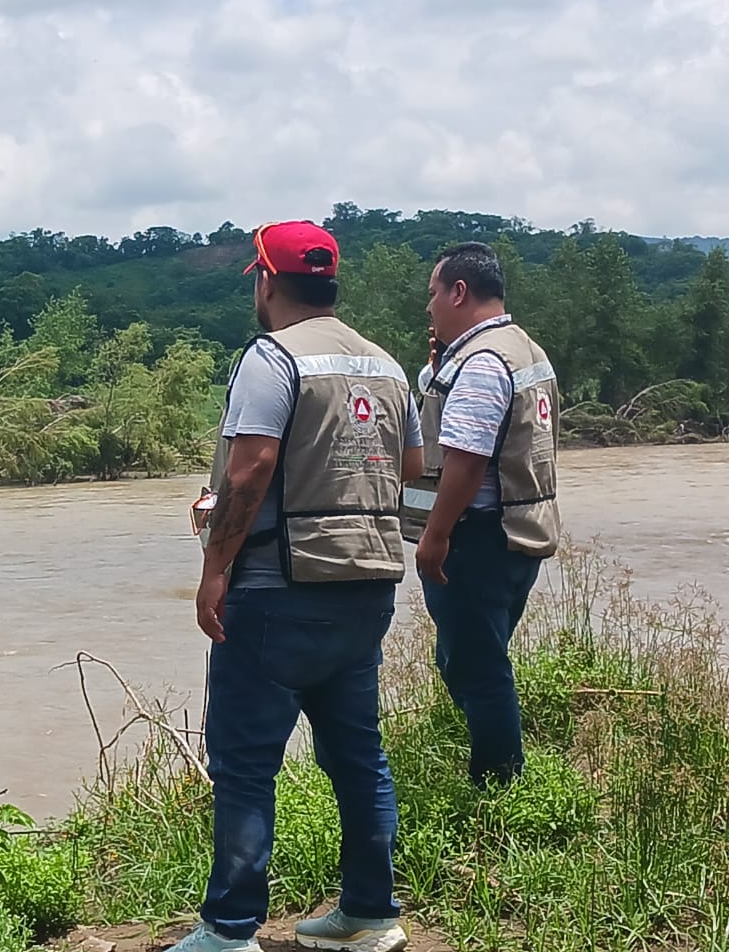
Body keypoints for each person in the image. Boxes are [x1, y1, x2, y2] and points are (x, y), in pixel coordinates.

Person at [182, 220, 423, 952]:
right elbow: (409, 466)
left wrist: (214, 565)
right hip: (369, 583)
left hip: (276, 586)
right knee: (358, 756)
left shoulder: (271, 358)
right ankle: (370, 915)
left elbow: (251, 469)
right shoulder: (384, 363)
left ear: (266, 280)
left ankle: (228, 931)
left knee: (245, 762)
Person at [401, 241, 561, 789]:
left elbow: (465, 462)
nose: (429, 308)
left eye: (433, 295)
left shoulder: (482, 361)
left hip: (478, 540)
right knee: (471, 659)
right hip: (519, 534)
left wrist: (435, 537)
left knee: (478, 667)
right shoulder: (522, 349)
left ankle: (497, 786)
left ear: (458, 292)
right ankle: (496, 760)